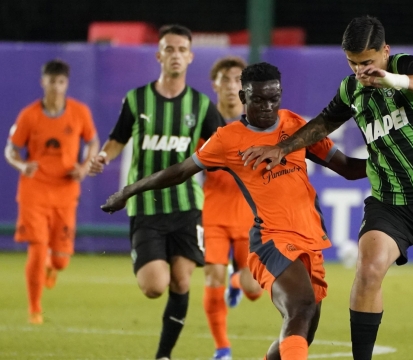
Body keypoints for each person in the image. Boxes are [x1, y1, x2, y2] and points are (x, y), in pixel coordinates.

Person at [242, 16, 413, 360]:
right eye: (353, 63)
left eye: (367, 62)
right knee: (368, 271)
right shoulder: (351, 89)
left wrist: (393, 80)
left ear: (385, 52)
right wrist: (282, 148)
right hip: (390, 204)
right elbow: (324, 123)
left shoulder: (403, 66)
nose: (361, 71)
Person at [100, 62, 367, 360]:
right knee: (300, 306)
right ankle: (222, 346)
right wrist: (128, 191)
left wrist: (392, 161)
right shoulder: (228, 139)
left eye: (273, 98)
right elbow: (179, 171)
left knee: (304, 329)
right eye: (258, 99)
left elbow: (346, 168)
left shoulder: (294, 125)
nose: (267, 106)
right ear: (243, 97)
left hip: (311, 238)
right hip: (271, 240)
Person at [87, 25, 225, 360]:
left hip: (187, 204)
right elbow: (118, 138)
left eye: (182, 49)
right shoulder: (137, 99)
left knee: (181, 282)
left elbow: (223, 141)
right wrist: (105, 155)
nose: (175, 55)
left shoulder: (201, 105)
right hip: (146, 205)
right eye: (169, 48)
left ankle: (163, 355)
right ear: (159, 55)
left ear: (190, 57)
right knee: (154, 287)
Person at [4, 59, 99, 325]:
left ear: (66, 84)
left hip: (66, 191)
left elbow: (93, 142)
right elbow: (10, 150)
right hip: (34, 190)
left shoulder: (80, 113)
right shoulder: (29, 115)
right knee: (37, 247)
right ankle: (34, 309)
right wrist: (22, 164)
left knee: (60, 262)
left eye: (60, 82)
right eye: (51, 81)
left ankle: (52, 264)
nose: (56, 87)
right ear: (42, 82)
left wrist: (83, 167)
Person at [203, 56, 263, 360]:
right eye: (224, 79)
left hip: (250, 219)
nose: (230, 86)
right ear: (215, 84)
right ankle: (222, 348)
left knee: (255, 289)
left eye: (237, 80)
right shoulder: (203, 122)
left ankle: (237, 282)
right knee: (212, 275)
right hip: (212, 214)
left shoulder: (257, 124)